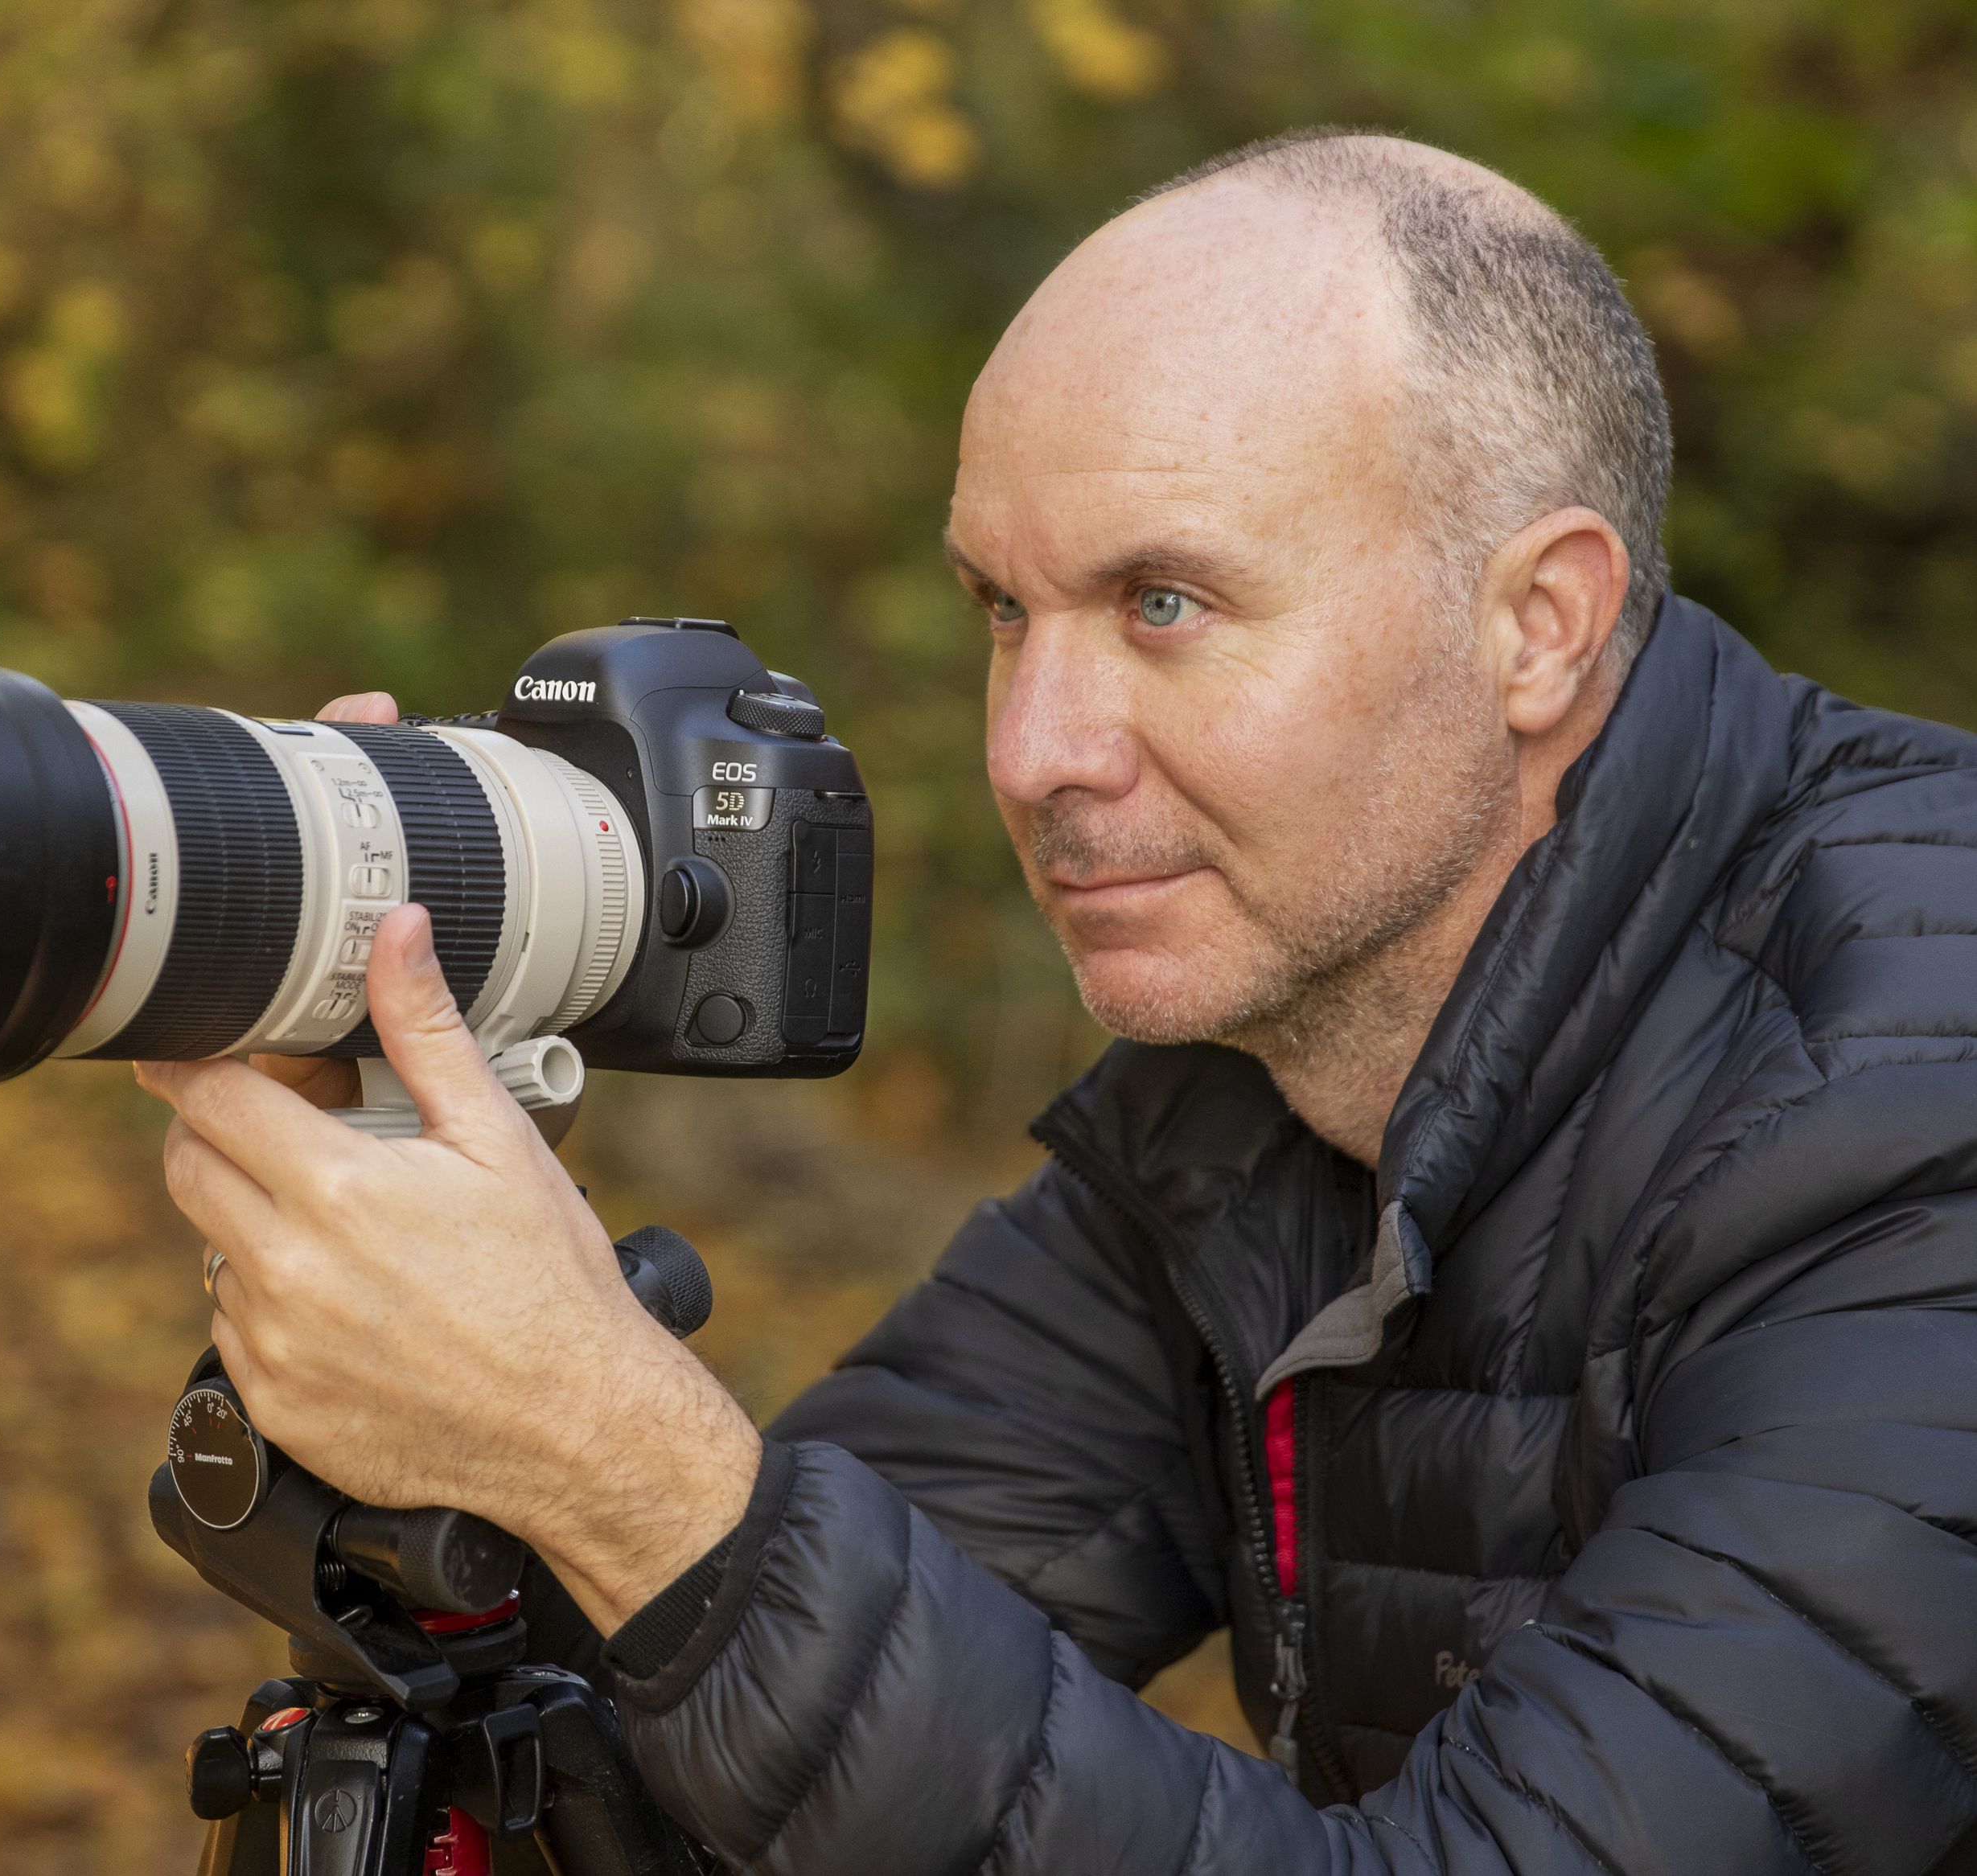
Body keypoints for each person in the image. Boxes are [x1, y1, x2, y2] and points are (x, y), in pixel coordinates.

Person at [135, 129, 1977, 1873]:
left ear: (1539, 624)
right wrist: (426, 1334)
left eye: (1162, 603)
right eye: (1004, 612)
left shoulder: (1912, 1094)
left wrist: (625, 1462)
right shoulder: (1240, 1099)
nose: (1032, 752)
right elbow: (712, 1755)